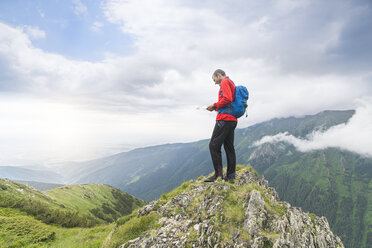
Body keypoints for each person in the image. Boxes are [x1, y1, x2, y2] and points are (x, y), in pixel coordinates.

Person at [204, 69, 237, 183]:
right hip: (232, 119)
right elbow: (229, 100)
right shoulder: (231, 82)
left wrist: (214, 106)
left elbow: (227, 99)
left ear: (219, 75)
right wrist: (217, 107)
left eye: (214, 79)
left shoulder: (224, 82)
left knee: (213, 145)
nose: (214, 82)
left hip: (224, 119)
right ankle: (231, 176)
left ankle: (218, 175)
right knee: (229, 147)